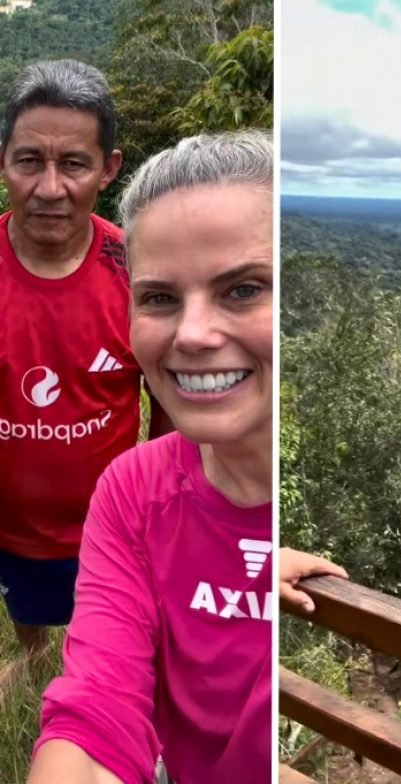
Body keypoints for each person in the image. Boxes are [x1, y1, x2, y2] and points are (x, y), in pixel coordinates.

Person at [26, 130, 346, 784]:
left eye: (244, 289)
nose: (193, 335)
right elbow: (95, 712)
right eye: (161, 298)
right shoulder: (136, 491)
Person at [0, 59, 168, 669]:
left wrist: (161, 506)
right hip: (10, 529)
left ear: (108, 170)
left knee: (103, 650)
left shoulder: (143, 274)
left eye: (73, 163)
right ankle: (31, 655)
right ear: (3, 162)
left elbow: (172, 401)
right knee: (30, 621)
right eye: (29, 161)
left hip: (114, 529)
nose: (49, 188)